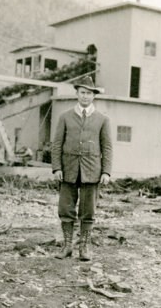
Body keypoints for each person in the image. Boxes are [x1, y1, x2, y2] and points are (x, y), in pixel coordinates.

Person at [51, 76, 112, 261]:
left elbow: (107, 147)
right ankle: (67, 246)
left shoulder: (102, 119)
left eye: (89, 93)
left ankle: (84, 248)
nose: (85, 96)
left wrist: (106, 171)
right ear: (77, 94)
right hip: (68, 170)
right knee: (65, 209)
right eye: (82, 92)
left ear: (94, 96)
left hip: (92, 171)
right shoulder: (65, 117)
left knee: (88, 211)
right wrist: (56, 168)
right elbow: (57, 144)